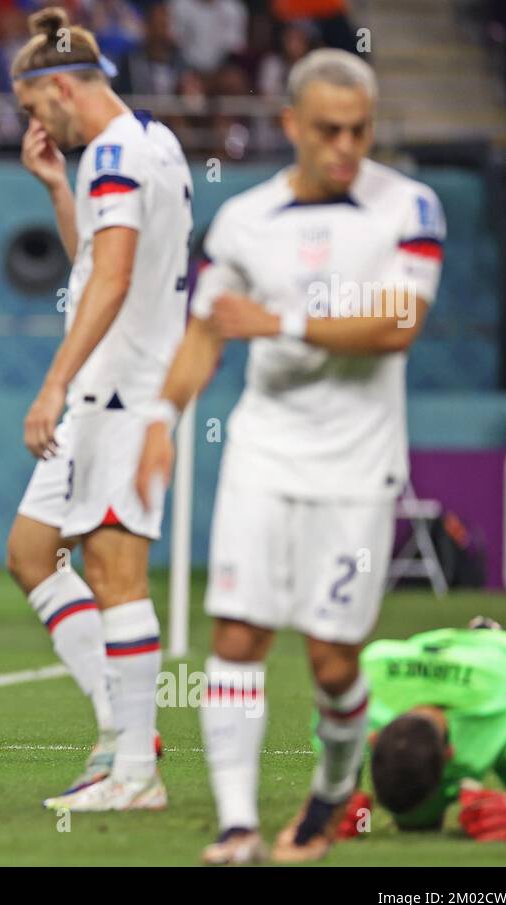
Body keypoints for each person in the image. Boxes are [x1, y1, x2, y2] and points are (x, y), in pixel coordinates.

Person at [135, 49, 446, 863]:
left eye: (359, 130)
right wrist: (164, 416)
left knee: (333, 659)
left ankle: (333, 794)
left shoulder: (410, 209)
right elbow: (207, 327)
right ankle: (237, 826)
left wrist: (279, 324)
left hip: (357, 463)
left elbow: (397, 326)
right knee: (237, 636)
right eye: (328, 130)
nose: (346, 146)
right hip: (263, 452)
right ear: (291, 128)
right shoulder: (244, 221)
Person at [5, 8, 193, 812]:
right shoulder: (151, 140)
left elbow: (112, 283)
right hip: (110, 391)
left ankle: (134, 771)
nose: (33, 121)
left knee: (115, 570)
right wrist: (55, 185)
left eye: (31, 106)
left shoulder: (115, 156)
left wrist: (54, 384)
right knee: (32, 551)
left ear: (57, 87)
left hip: (119, 393)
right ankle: (122, 730)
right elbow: (98, 259)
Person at [347, 618, 506, 841]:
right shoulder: (356, 692)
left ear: (452, 753)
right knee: (414, 819)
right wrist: (332, 805)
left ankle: (487, 634)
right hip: (432, 646)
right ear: (372, 738)